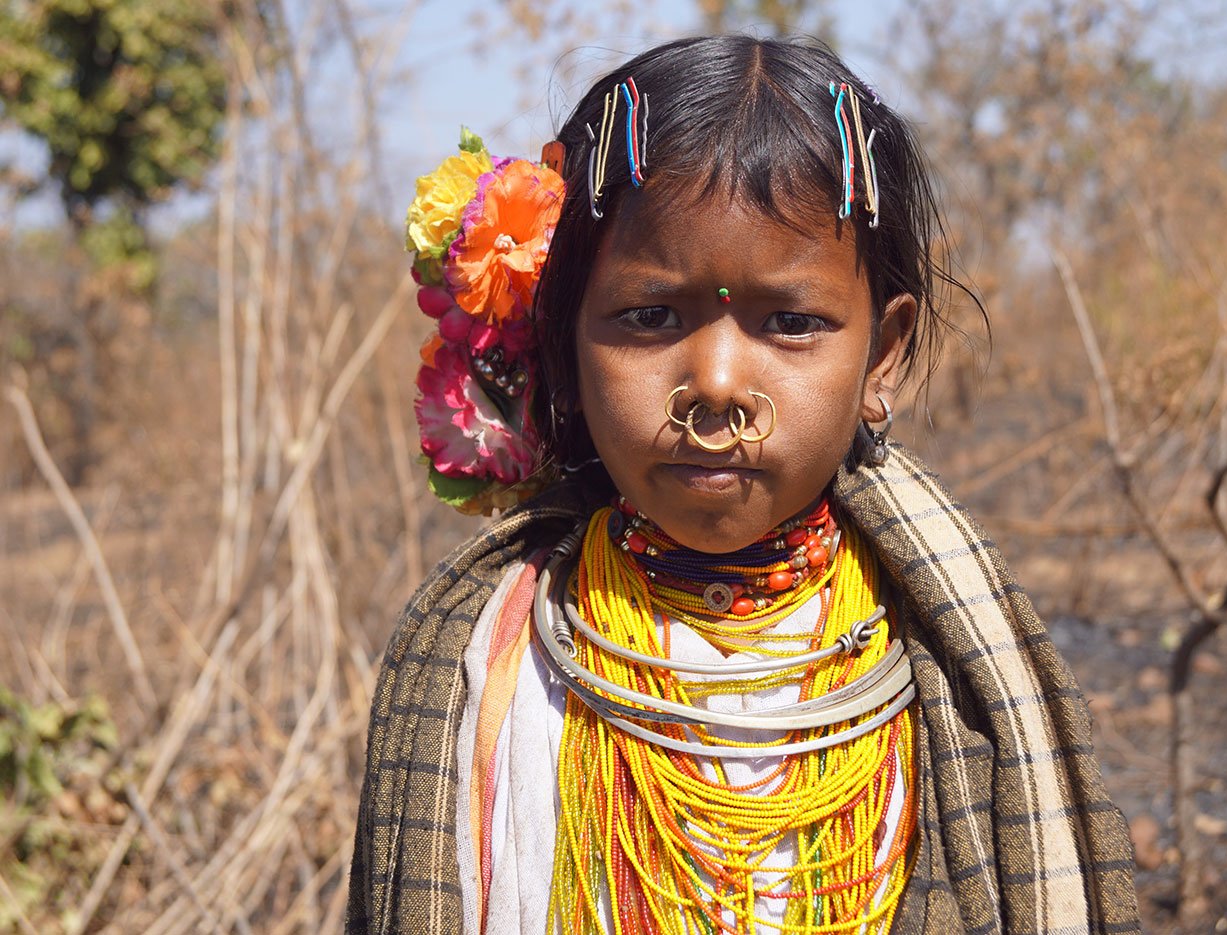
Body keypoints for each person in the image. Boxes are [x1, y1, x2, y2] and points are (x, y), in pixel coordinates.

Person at [350, 35, 1140, 935]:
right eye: (649, 316)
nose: (717, 383)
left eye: (792, 321)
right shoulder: (480, 664)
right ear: (563, 344)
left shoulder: (965, 677)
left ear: (880, 357)